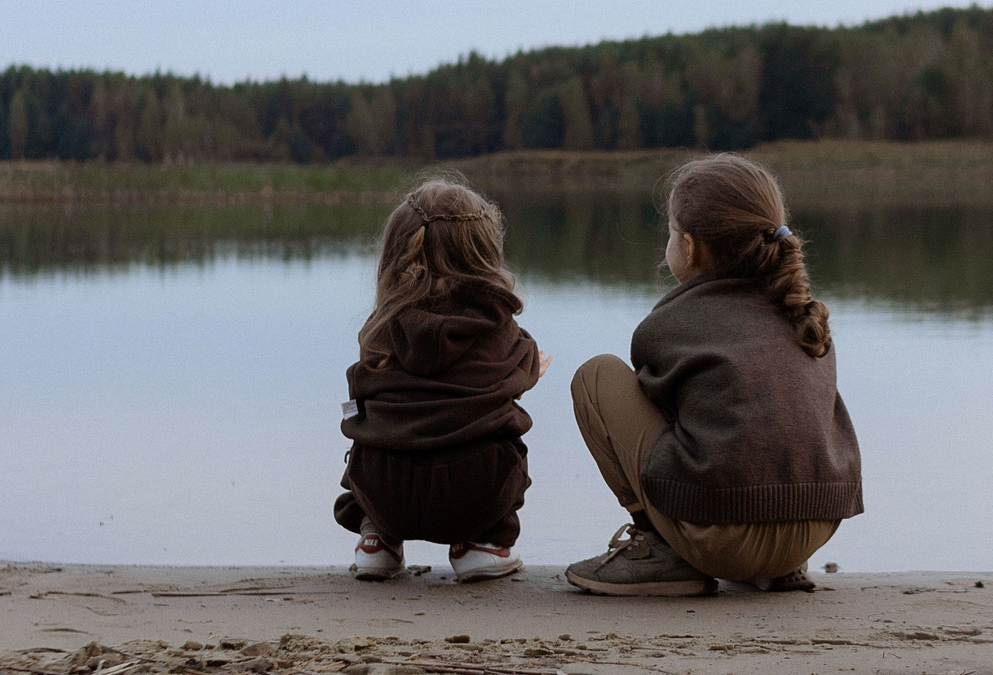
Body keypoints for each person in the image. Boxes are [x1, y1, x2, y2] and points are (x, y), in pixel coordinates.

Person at [564, 153, 862, 597]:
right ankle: (781, 567)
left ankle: (659, 549)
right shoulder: (805, 314)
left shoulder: (670, 325)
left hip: (724, 540)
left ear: (689, 247)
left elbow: (658, 421)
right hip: (815, 526)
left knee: (596, 377)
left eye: (669, 233)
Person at [335, 178, 548, 581]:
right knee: (507, 429)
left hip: (385, 492)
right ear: (485, 253)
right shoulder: (497, 325)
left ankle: (375, 539)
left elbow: (357, 395)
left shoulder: (380, 329)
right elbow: (517, 376)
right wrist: (532, 369)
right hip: (474, 492)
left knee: (362, 427)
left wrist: (358, 416)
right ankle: (482, 544)